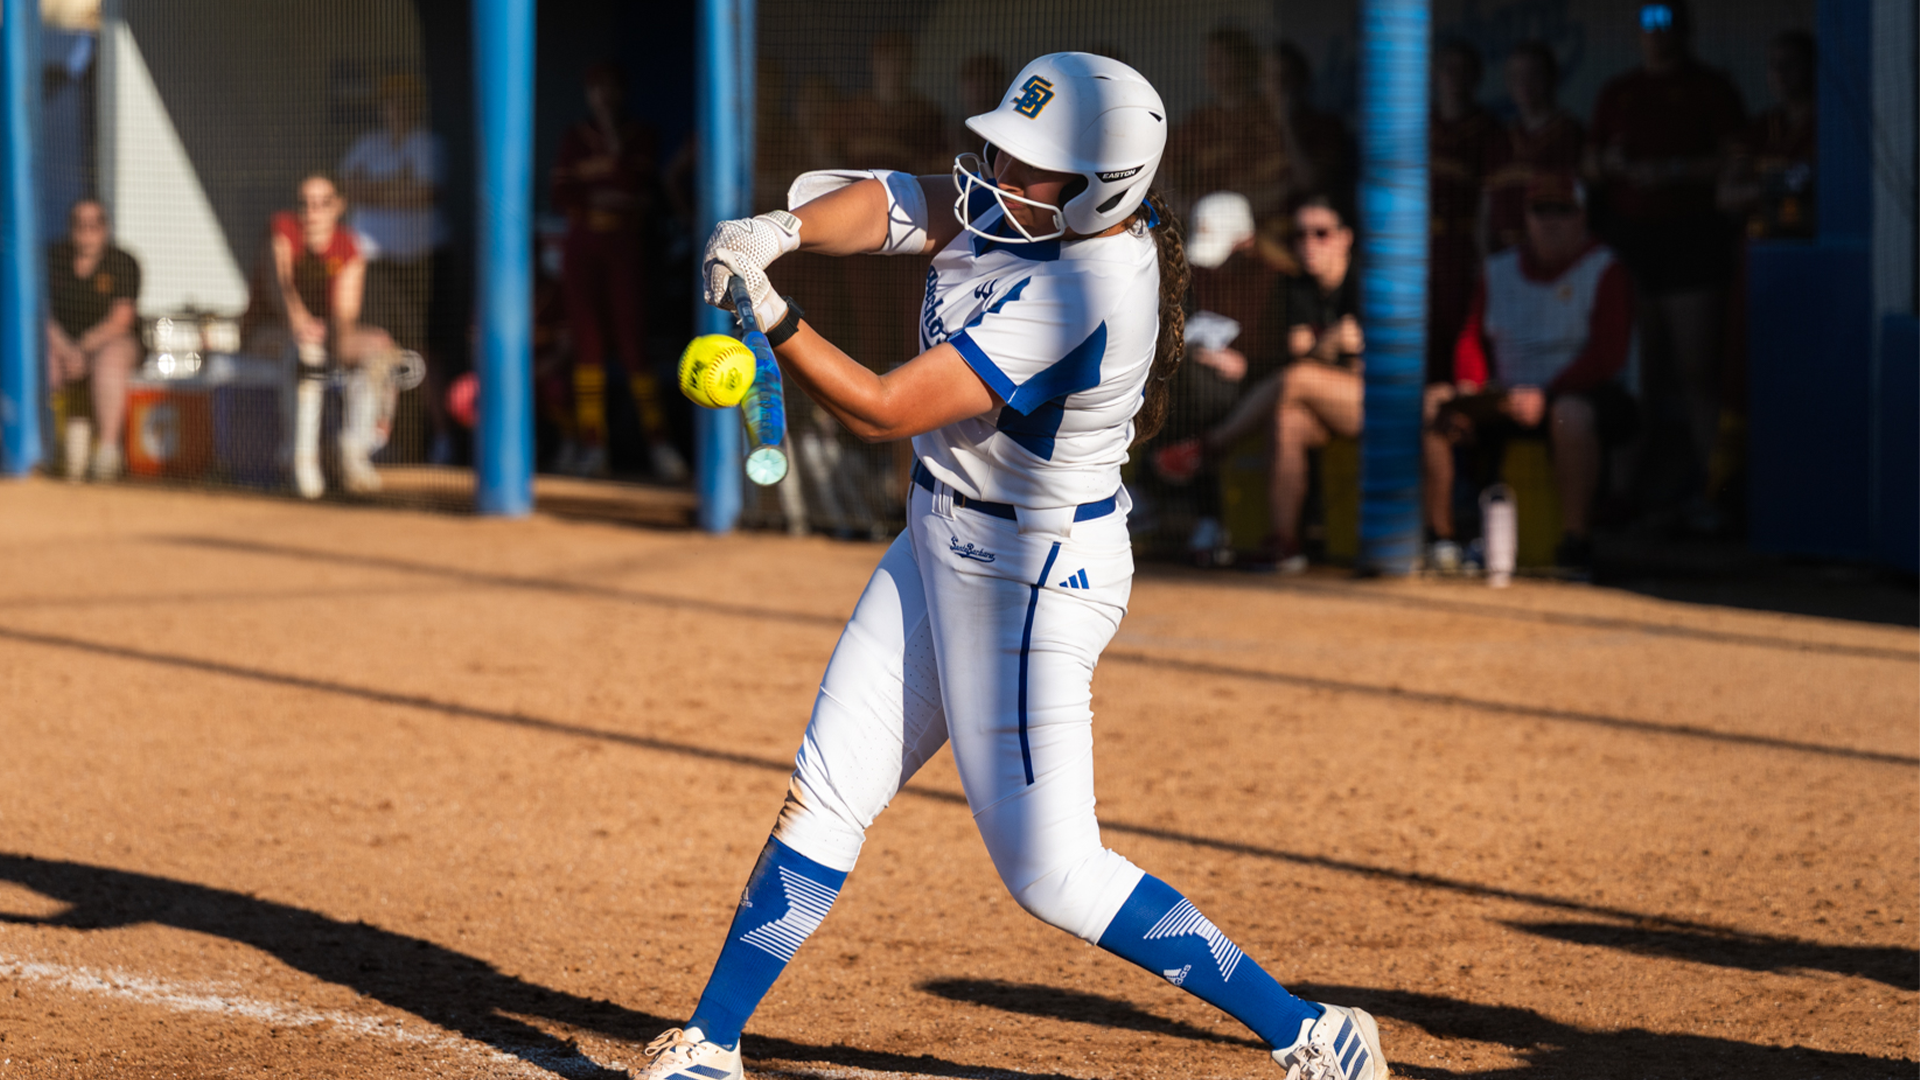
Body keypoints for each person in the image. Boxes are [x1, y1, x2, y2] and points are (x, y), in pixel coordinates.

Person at [634, 53, 1386, 1080]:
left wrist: (775, 316)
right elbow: (912, 200)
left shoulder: (1088, 284)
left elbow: (886, 408)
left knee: (1054, 876)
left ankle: (1310, 1031)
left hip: (1029, 577)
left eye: (1029, 164)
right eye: (1002, 146)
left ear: (1100, 189)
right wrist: (785, 230)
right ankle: (713, 1044)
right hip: (942, 530)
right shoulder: (1033, 208)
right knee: (825, 791)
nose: (996, 170)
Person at [1424, 174, 1638, 575]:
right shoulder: (1498, 269)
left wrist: (1547, 395)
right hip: (1505, 396)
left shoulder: (1606, 268)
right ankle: (1442, 538)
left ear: (1582, 217)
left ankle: (1575, 543)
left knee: (1570, 415)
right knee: (1433, 403)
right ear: (1526, 218)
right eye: (1542, 211)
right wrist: (1472, 388)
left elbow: (1608, 355)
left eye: (1563, 211)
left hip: (1582, 396)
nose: (1551, 221)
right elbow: (1471, 339)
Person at [1588, 0, 1744, 523]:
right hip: (1631, 244)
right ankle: (1620, 494)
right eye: (1646, 25)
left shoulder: (1711, 87)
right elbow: (1590, 164)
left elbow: (1734, 160)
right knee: (1637, 373)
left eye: (1666, 24)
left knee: (1697, 372)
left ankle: (1715, 492)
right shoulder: (1619, 91)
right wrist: (1610, 166)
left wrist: (1675, 170)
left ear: (1685, 30)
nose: (1655, 34)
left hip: (1692, 242)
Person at [1155, 192, 1363, 574]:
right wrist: (1331, 343)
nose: (1308, 244)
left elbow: (1334, 358)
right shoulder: (1302, 284)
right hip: (1322, 395)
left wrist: (1323, 350)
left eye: (1321, 233)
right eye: (1300, 235)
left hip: (1376, 400)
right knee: (1287, 418)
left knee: (1297, 380)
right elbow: (1304, 348)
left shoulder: (1364, 281)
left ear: (1346, 237)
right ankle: (1284, 543)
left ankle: (1208, 448)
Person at [550, 61, 687, 482]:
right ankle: (593, 446)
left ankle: (659, 443)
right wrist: (607, 188)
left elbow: (637, 188)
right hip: (583, 248)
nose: (603, 96)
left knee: (633, 347)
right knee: (587, 347)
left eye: (611, 88)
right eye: (596, 88)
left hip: (626, 248)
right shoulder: (575, 136)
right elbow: (561, 193)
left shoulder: (641, 134)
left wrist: (608, 174)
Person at [261, 172, 402, 499]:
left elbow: (343, 318)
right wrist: (300, 322)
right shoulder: (282, 229)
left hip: (322, 340)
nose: (313, 212)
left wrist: (350, 342)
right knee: (307, 351)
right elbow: (279, 286)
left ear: (338, 207)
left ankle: (355, 454)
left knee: (380, 352)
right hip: (269, 337)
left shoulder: (350, 246)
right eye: (305, 204)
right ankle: (301, 463)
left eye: (323, 204)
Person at [338, 73, 449, 461]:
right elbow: (348, 190)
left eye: (404, 99)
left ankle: (441, 440)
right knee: (378, 349)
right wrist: (396, 186)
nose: (396, 107)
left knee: (421, 353)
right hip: (373, 265)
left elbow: (423, 195)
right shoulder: (368, 145)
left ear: (416, 105)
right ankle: (379, 441)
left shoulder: (428, 143)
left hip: (421, 265)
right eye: (390, 100)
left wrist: (377, 190)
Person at [45, 198, 142, 482]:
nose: (86, 231)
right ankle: (50, 448)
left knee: (109, 360)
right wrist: (65, 350)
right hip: (62, 346)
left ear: (105, 228)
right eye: (79, 224)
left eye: (93, 224)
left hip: (109, 343)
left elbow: (121, 320)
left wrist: (83, 349)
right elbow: (41, 314)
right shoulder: (54, 260)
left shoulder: (122, 262)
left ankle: (108, 453)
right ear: (70, 228)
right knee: (44, 361)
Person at [1428, 40, 1500, 385]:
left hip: (1462, 246)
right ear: (1434, 75)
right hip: (1421, 247)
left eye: (1462, 70)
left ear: (1477, 77)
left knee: (1463, 340)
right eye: (1447, 69)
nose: (1453, 78)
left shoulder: (1488, 129)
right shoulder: (1419, 125)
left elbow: (1489, 201)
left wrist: (1482, 256)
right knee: (1422, 342)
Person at [1485, 40, 1586, 255]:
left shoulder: (1571, 134)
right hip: (1504, 259)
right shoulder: (1500, 139)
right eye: (1516, 75)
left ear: (1552, 77)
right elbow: (1485, 209)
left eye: (1533, 74)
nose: (1523, 83)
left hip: (1553, 258)